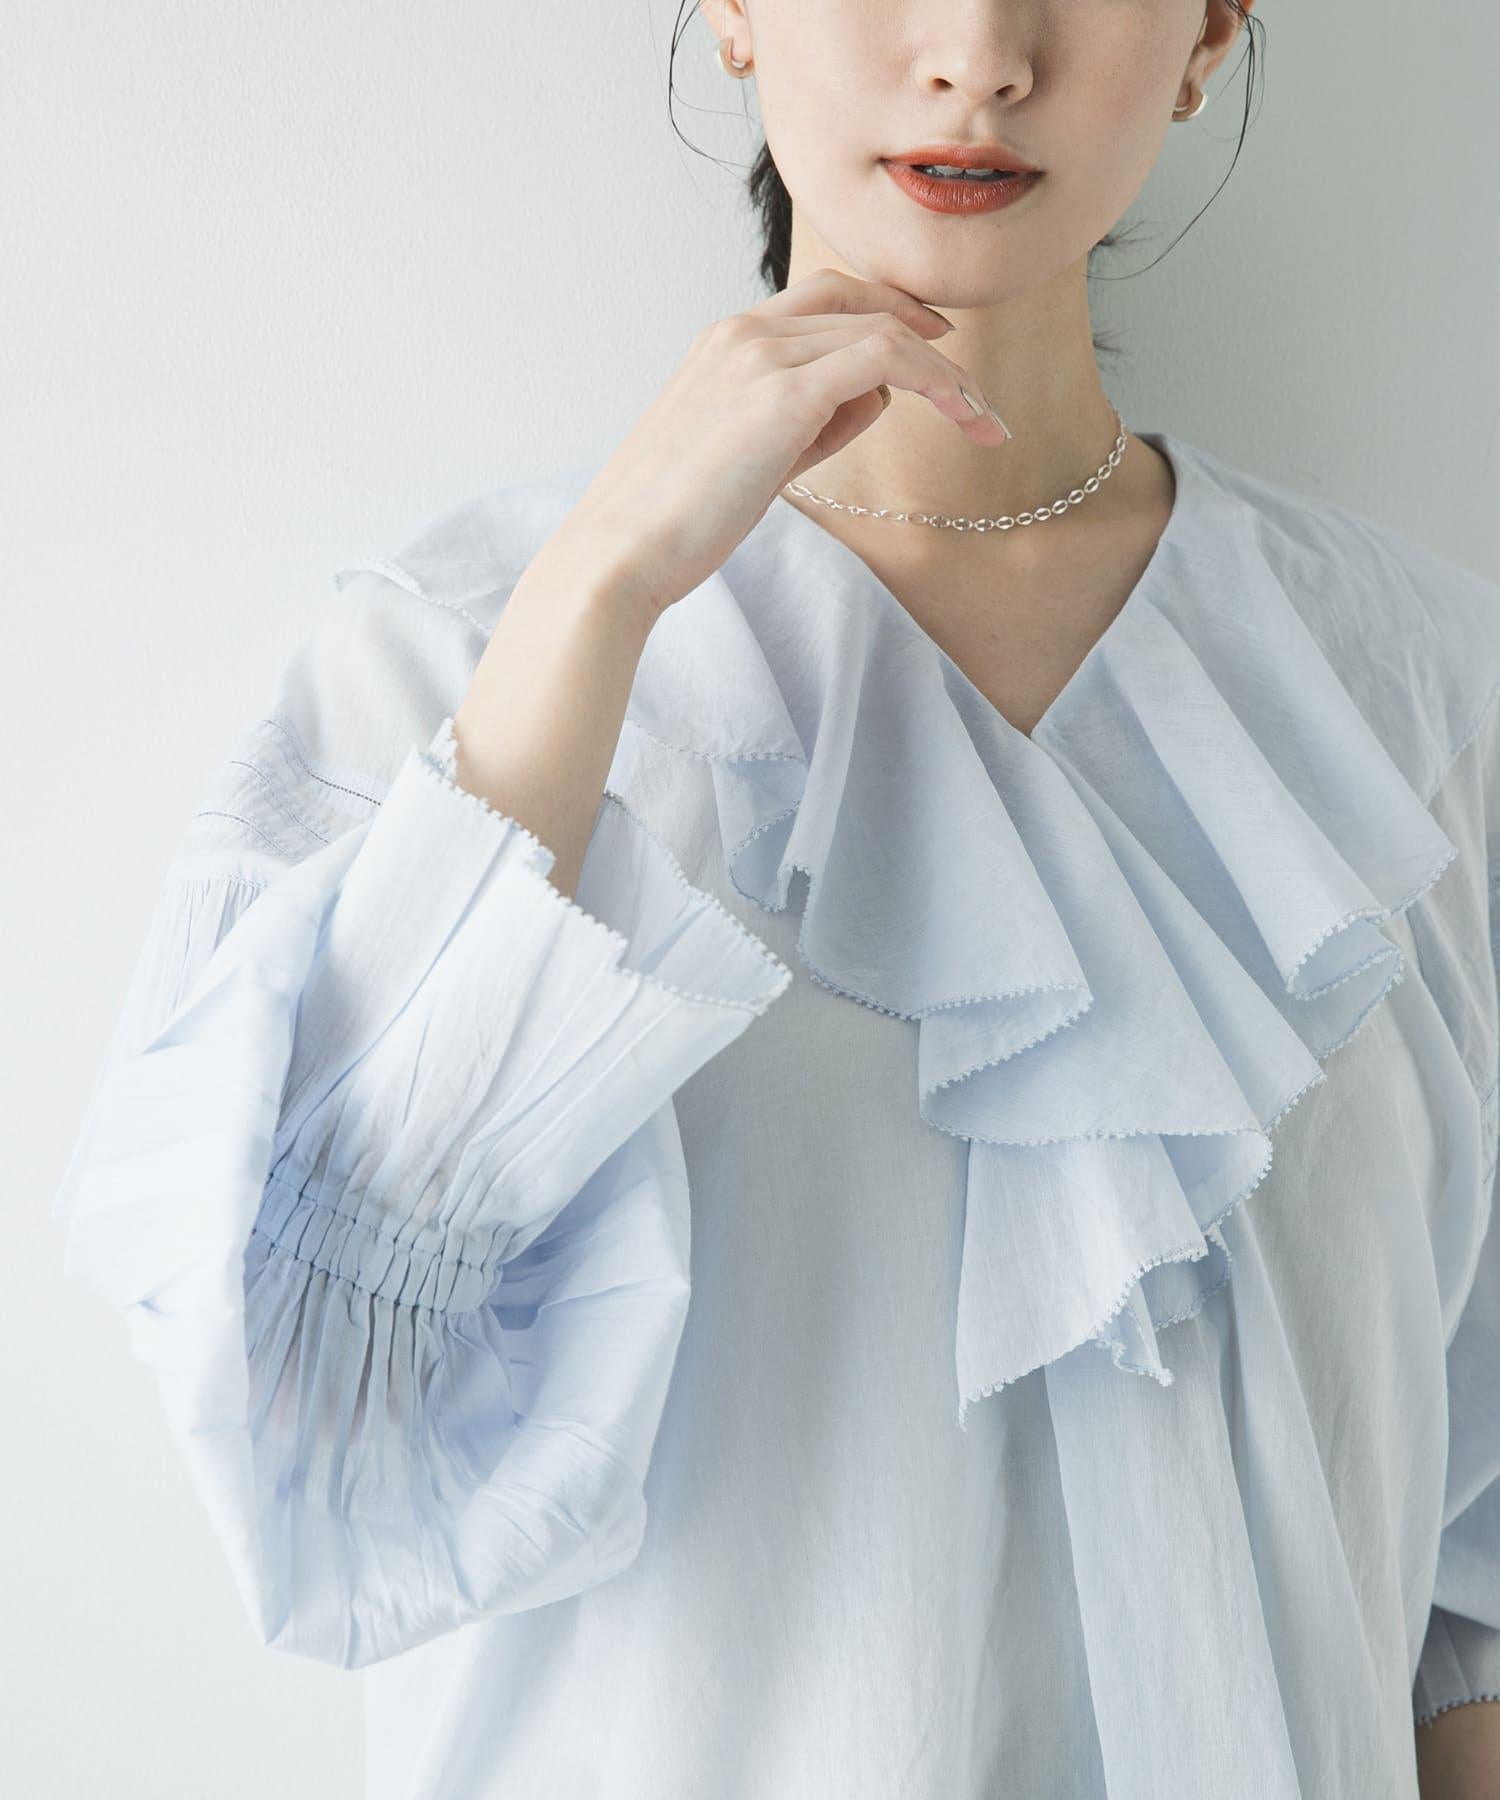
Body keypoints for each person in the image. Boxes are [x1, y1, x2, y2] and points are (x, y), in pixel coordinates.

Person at [55, 2, 1500, 1796]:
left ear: (1209, 30)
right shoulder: (440, 667)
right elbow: (307, 1429)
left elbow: (1469, 1581)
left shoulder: (1414, 698)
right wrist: (601, 588)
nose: (980, 52)